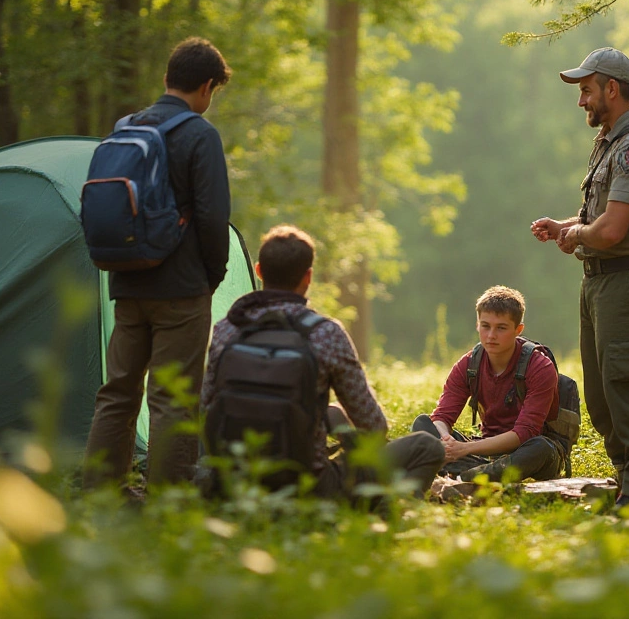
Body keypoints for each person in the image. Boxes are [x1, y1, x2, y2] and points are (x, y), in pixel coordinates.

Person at [83, 37, 233, 491]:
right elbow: (212, 216)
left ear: (168, 78)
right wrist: (213, 275)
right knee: (172, 397)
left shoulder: (125, 127)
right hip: (180, 289)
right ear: (206, 87)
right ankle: (167, 498)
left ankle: (100, 490)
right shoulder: (199, 135)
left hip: (127, 282)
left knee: (118, 392)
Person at [530, 47, 629, 508]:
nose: (581, 101)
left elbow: (611, 231)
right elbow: (602, 217)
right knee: (601, 392)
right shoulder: (610, 142)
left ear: (612, 89)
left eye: (587, 90)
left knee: (628, 385)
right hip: (602, 282)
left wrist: (578, 236)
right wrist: (566, 226)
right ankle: (626, 479)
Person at [201, 225, 445, 499]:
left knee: (331, 412)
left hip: (236, 484)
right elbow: (373, 425)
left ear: (258, 271)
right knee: (427, 446)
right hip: (309, 488)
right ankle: (389, 509)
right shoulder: (324, 333)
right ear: (308, 277)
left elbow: (205, 407)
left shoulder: (227, 329)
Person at [410, 286, 565, 483]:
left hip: (527, 450)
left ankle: (465, 474)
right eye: (485, 326)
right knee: (423, 425)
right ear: (477, 325)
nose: (491, 335)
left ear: (518, 330)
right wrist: (446, 441)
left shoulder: (540, 366)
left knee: (539, 448)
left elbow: (525, 433)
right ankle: (481, 473)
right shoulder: (467, 365)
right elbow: (442, 417)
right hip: (484, 451)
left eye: (501, 328)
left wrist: (465, 449)